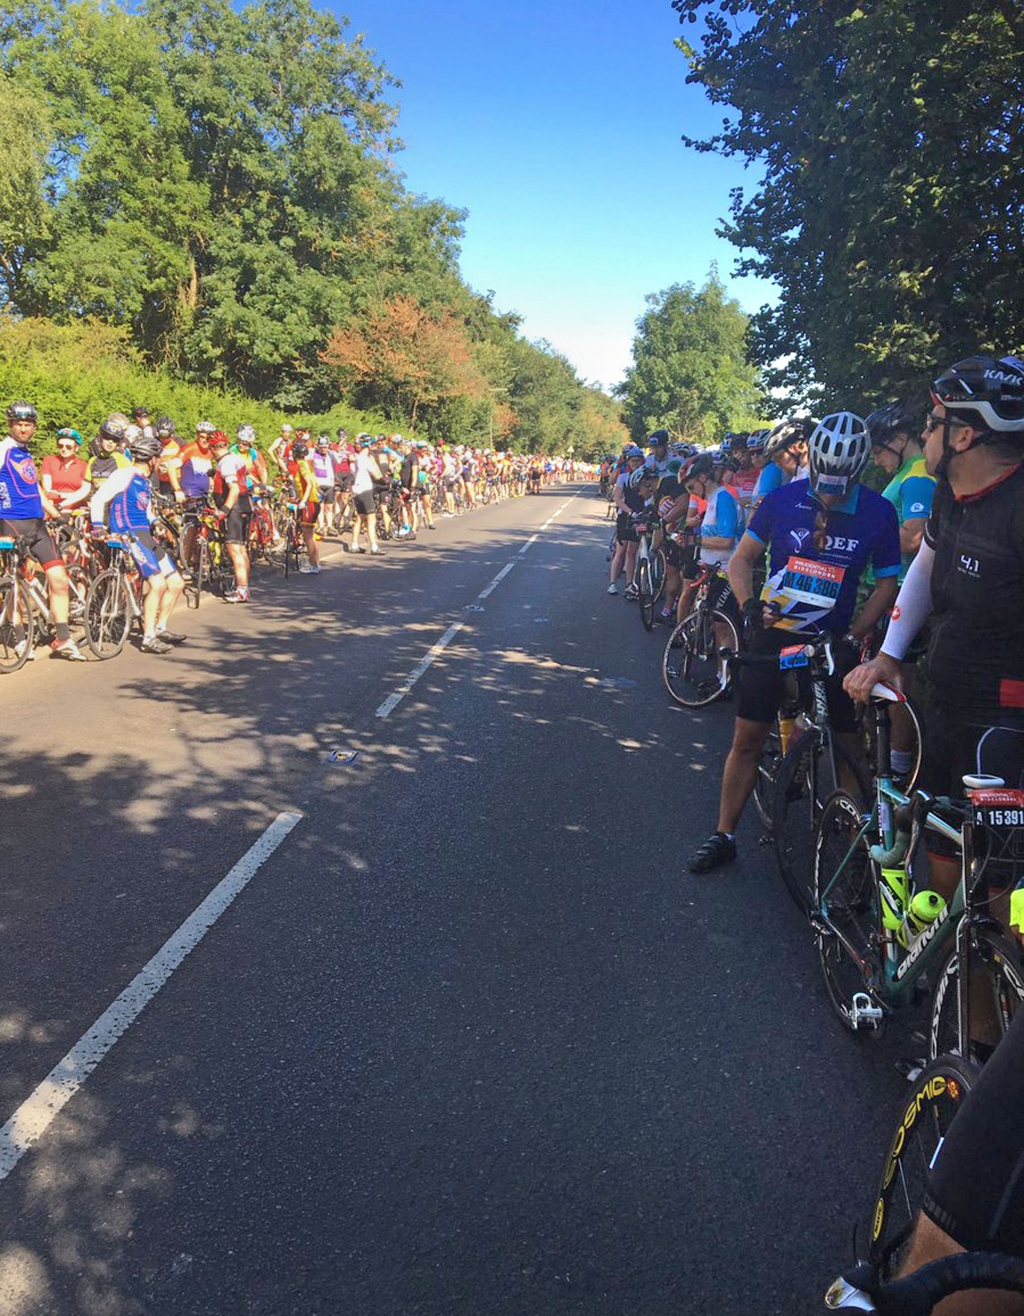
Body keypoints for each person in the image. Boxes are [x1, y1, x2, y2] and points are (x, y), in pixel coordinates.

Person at [845, 355, 1024, 904]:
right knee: (944, 860)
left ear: (965, 434)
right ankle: (949, 976)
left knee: (995, 894)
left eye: (934, 421)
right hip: (943, 699)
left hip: (1003, 717)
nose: (924, 432)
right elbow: (926, 561)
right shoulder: (949, 491)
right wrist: (889, 656)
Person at [688, 412, 901, 873]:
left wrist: (854, 634)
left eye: (840, 483)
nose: (830, 489)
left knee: (848, 740)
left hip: (833, 642)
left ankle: (853, 837)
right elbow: (741, 561)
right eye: (824, 477)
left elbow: (888, 585)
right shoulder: (782, 500)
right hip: (775, 634)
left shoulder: (878, 512)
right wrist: (747, 608)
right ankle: (724, 833)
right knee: (748, 736)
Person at [0, 401, 87, 659]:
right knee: (15, 583)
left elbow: (33, 487)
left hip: (37, 524)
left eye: (28, 425)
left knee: (59, 579)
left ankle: (62, 639)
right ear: (11, 425)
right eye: (19, 424)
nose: (23, 428)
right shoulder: (4, 449)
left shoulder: (25, 453)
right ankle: (17, 637)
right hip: (10, 523)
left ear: (34, 428)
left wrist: (56, 514)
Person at [90, 428, 186, 653]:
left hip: (145, 533)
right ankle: (148, 637)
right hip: (129, 533)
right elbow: (98, 499)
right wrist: (98, 526)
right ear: (152, 459)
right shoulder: (124, 475)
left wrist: (156, 522)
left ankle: (160, 627)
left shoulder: (144, 481)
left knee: (176, 583)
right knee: (158, 583)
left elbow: (143, 508)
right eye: (157, 458)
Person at [209, 431, 252, 601]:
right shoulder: (237, 458)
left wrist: (224, 510)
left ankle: (241, 591)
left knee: (234, 550)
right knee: (242, 549)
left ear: (213, 448)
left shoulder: (226, 463)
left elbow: (233, 488)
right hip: (245, 507)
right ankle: (244, 586)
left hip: (234, 509)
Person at [608, 446, 647, 596]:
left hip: (640, 514)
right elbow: (617, 498)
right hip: (626, 516)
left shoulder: (645, 478)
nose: (635, 464)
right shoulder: (623, 477)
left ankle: (630, 584)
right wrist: (629, 511)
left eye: (638, 461)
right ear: (628, 462)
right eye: (632, 461)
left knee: (632, 552)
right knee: (621, 551)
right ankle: (612, 583)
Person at [349, 436, 386, 555]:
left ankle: (354, 545)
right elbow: (375, 475)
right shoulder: (366, 459)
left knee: (360, 517)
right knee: (371, 519)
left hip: (356, 490)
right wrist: (384, 481)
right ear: (369, 446)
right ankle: (374, 547)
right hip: (365, 489)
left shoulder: (357, 458)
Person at [40, 429, 89, 511]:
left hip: (76, 510)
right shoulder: (49, 460)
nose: (64, 449)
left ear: (76, 448)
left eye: (68, 447)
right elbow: (48, 489)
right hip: (53, 508)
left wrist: (60, 495)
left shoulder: (84, 466)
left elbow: (85, 492)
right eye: (60, 446)